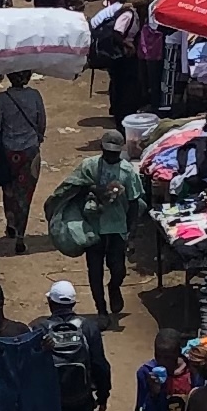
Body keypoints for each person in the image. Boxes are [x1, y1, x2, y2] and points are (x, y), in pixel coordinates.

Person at [44, 132, 137, 330]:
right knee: (95, 271)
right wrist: (95, 189)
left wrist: (131, 230)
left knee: (118, 268)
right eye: (107, 151)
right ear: (102, 148)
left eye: (115, 153)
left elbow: (134, 201)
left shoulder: (128, 171)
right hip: (92, 227)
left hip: (117, 227)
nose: (111, 156)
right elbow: (73, 186)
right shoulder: (89, 166)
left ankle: (114, 287)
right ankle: (102, 310)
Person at [37, 282, 110, 411]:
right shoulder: (88, 327)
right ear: (74, 303)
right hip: (82, 400)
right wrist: (103, 396)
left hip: (53, 404)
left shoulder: (39, 328)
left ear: (50, 302)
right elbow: (100, 365)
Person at [0, 70, 50, 252]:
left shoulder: (2, 99)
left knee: (9, 190)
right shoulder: (35, 96)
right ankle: (21, 234)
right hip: (30, 152)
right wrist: (37, 138)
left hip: (8, 152)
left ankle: (11, 223)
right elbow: (42, 122)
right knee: (25, 194)